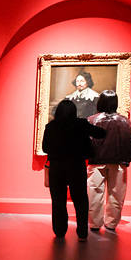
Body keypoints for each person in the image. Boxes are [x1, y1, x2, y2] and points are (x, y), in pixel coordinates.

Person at [41, 99, 106, 241]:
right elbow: (101, 133)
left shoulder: (51, 126)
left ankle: (59, 231)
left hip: (57, 168)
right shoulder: (81, 124)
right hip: (77, 166)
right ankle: (82, 232)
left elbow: (45, 148)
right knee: (80, 200)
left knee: (58, 200)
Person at [86, 90, 131, 232]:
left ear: (100, 102)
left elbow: (86, 140)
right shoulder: (125, 121)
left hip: (96, 161)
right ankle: (111, 223)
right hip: (119, 161)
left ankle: (95, 223)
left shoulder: (92, 120)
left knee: (94, 193)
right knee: (116, 193)